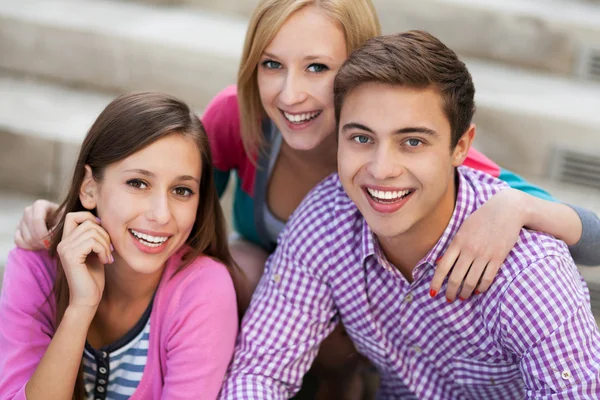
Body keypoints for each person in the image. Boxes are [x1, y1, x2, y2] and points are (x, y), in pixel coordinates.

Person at [12, 0, 600, 396]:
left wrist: (519, 208)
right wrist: (70, 216)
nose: (291, 92)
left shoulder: (448, 175)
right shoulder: (245, 129)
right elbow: (165, 204)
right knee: (238, 267)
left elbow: (588, 237)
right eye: (272, 65)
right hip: (307, 297)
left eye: (317, 67)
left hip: (373, 332)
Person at [220, 30, 600, 399]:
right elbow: (261, 371)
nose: (382, 168)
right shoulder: (326, 219)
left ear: (460, 147)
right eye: (362, 138)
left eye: (412, 142)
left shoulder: (529, 273)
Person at [0, 93, 238, 399]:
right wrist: (80, 309)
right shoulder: (36, 266)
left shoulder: (202, 291)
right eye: (138, 183)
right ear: (89, 188)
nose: (161, 214)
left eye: (181, 190)